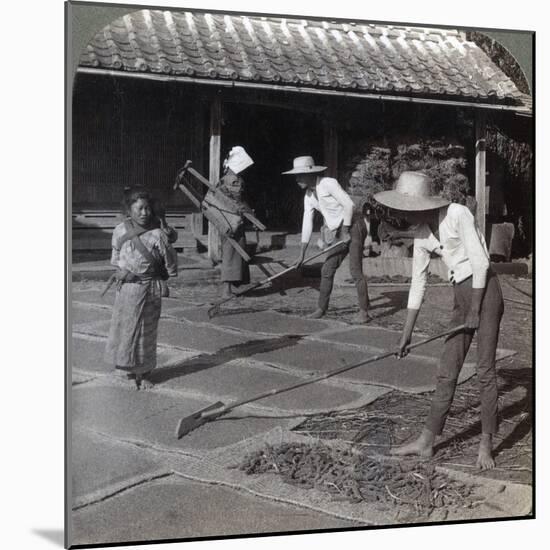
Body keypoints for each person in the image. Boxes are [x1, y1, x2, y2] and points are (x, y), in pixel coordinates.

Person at [374, 171, 504, 470]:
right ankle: (426, 440)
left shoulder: (457, 214)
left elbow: (481, 262)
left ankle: (486, 443)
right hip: (461, 295)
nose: (404, 216)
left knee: (485, 368)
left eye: (407, 209)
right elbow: (417, 285)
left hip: (485, 292)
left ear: (423, 203)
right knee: (448, 369)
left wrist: (474, 310)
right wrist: (406, 333)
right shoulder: (421, 234)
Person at [105, 187, 178, 390]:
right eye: (139, 209)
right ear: (129, 210)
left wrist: (162, 274)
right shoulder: (120, 230)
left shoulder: (157, 234)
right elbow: (116, 256)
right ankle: (126, 371)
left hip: (150, 288)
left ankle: (144, 372)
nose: (144, 213)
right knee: (126, 328)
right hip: (127, 288)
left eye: (147, 208)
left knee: (147, 331)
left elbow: (171, 262)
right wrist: (123, 271)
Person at [282, 156, 371, 322]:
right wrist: (302, 253)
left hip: (354, 226)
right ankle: (321, 308)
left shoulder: (327, 183)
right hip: (339, 231)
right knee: (327, 269)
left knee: (355, 270)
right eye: (296, 176)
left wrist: (345, 230)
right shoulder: (308, 196)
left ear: (309, 174)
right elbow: (306, 223)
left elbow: (349, 205)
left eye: (300, 175)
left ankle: (364, 311)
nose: (297, 179)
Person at [216, 146, 254, 298]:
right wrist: (248, 211)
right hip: (233, 219)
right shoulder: (234, 180)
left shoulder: (225, 177)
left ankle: (232, 286)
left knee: (234, 251)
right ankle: (226, 289)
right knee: (231, 252)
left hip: (226, 219)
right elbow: (237, 200)